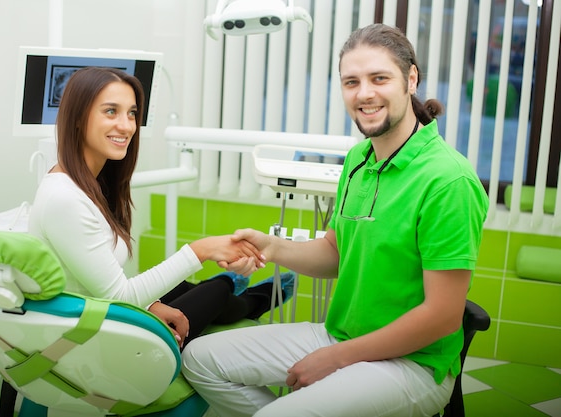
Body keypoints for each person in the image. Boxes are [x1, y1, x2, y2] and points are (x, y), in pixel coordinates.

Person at [182, 23, 489, 417]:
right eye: (351, 82)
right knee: (198, 359)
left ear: (410, 79)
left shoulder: (448, 181)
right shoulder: (359, 160)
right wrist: (271, 247)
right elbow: (335, 252)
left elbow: (443, 317)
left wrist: (337, 358)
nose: (364, 93)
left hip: (413, 365)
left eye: (379, 78)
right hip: (339, 334)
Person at [28, 66, 295, 348]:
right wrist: (201, 250)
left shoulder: (88, 185)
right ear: (78, 118)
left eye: (131, 113)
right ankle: (254, 297)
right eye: (111, 111)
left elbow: (102, 280)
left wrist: (151, 304)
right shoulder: (65, 199)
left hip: (98, 312)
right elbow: (122, 298)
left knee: (185, 290)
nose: (127, 125)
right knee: (214, 293)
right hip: (89, 340)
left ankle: (236, 291)